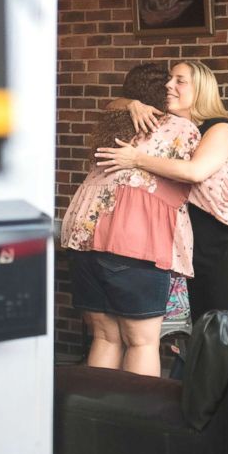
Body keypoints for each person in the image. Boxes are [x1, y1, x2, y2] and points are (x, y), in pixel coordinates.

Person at [95, 60, 228, 322]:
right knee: (205, 325)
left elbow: (195, 171)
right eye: (169, 79)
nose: (169, 85)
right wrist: (133, 104)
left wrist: (135, 159)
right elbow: (109, 107)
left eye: (179, 81)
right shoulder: (171, 125)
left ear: (200, 90)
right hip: (197, 236)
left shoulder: (220, 127)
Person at [60, 63, 200, 377]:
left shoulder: (113, 121)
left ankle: (98, 418)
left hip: (81, 234)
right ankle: (137, 422)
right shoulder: (181, 129)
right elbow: (197, 174)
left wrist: (129, 103)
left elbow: (113, 104)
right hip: (130, 238)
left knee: (106, 336)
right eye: (170, 85)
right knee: (142, 343)